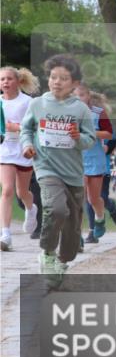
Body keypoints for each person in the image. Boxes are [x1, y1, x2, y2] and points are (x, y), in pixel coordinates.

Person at [20, 54, 97, 289]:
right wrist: (27, 146)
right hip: (46, 168)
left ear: (74, 83)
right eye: (54, 77)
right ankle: (47, 253)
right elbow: (26, 129)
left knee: (73, 229)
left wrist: (78, 137)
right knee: (56, 208)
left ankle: (63, 261)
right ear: (48, 79)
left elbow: (90, 139)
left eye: (64, 78)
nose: (57, 82)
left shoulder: (80, 109)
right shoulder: (38, 104)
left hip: (72, 173)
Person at [1, 66, 40, 251]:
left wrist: (14, 127)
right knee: (7, 190)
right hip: (5, 150)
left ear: (18, 81)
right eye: (2, 79)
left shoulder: (28, 102)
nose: (5, 82)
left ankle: (31, 209)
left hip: (24, 148)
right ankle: (6, 234)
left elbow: (35, 126)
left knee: (21, 192)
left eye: (9, 78)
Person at [75, 84, 114, 242]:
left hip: (95, 159)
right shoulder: (66, 114)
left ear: (88, 96)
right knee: (78, 198)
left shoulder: (98, 113)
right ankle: (76, 235)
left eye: (82, 95)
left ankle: (100, 217)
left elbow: (109, 134)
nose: (79, 99)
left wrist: (90, 132)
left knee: (93, 198)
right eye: (76, 96)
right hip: (76, 160)